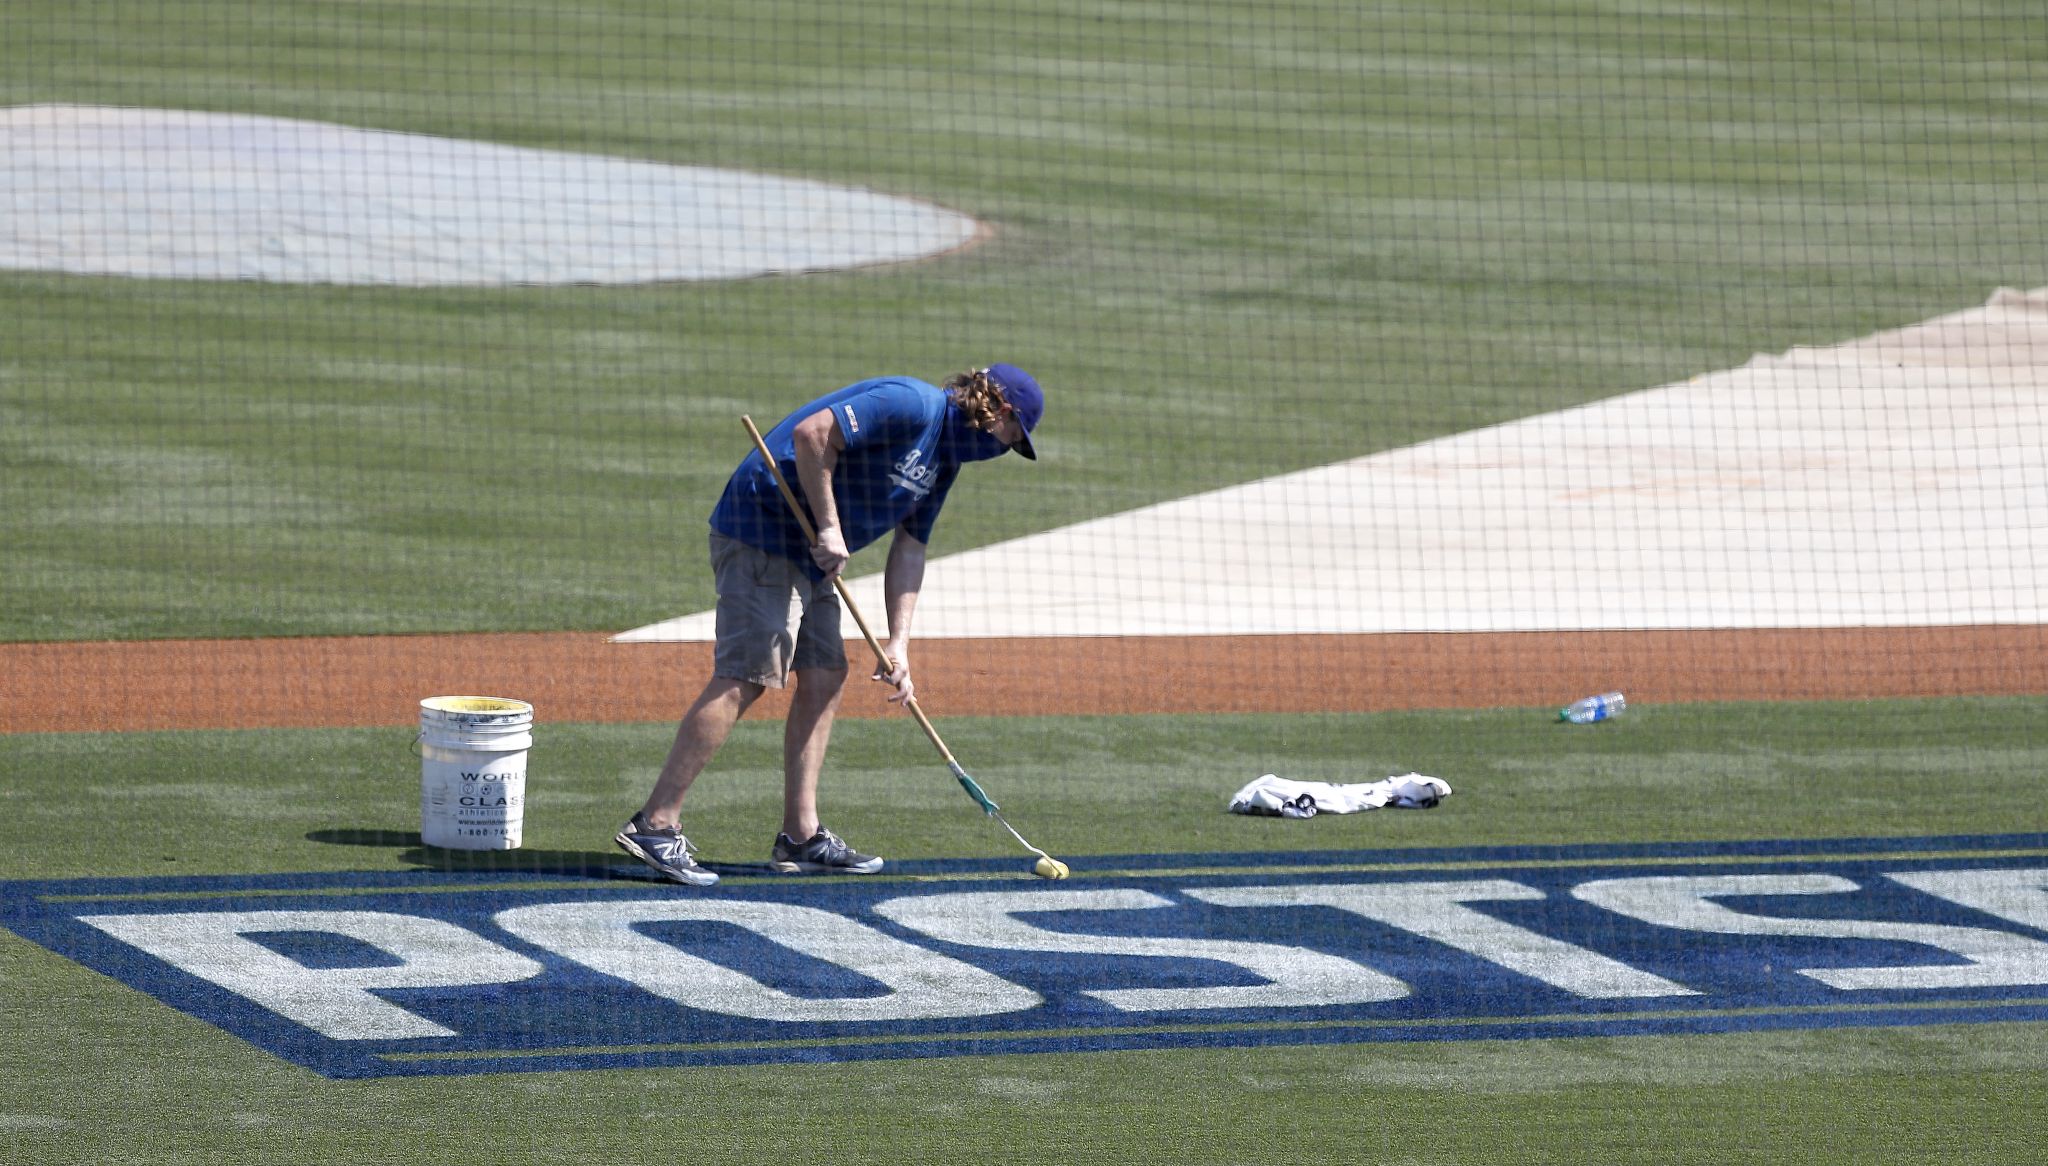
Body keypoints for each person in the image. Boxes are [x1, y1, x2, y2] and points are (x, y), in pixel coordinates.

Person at [614, 364, 1045, 886]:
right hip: (767, 531)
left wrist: (899, 646)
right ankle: (655, 824)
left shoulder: (945, 459)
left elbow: (910, 548)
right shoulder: (913, 404)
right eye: (1010, 438)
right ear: (998, 410)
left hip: (810, 555)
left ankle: (801, 834)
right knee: (748, 675)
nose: (1002, 450)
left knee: (824, 674)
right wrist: (829, 527)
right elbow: (813, 434)